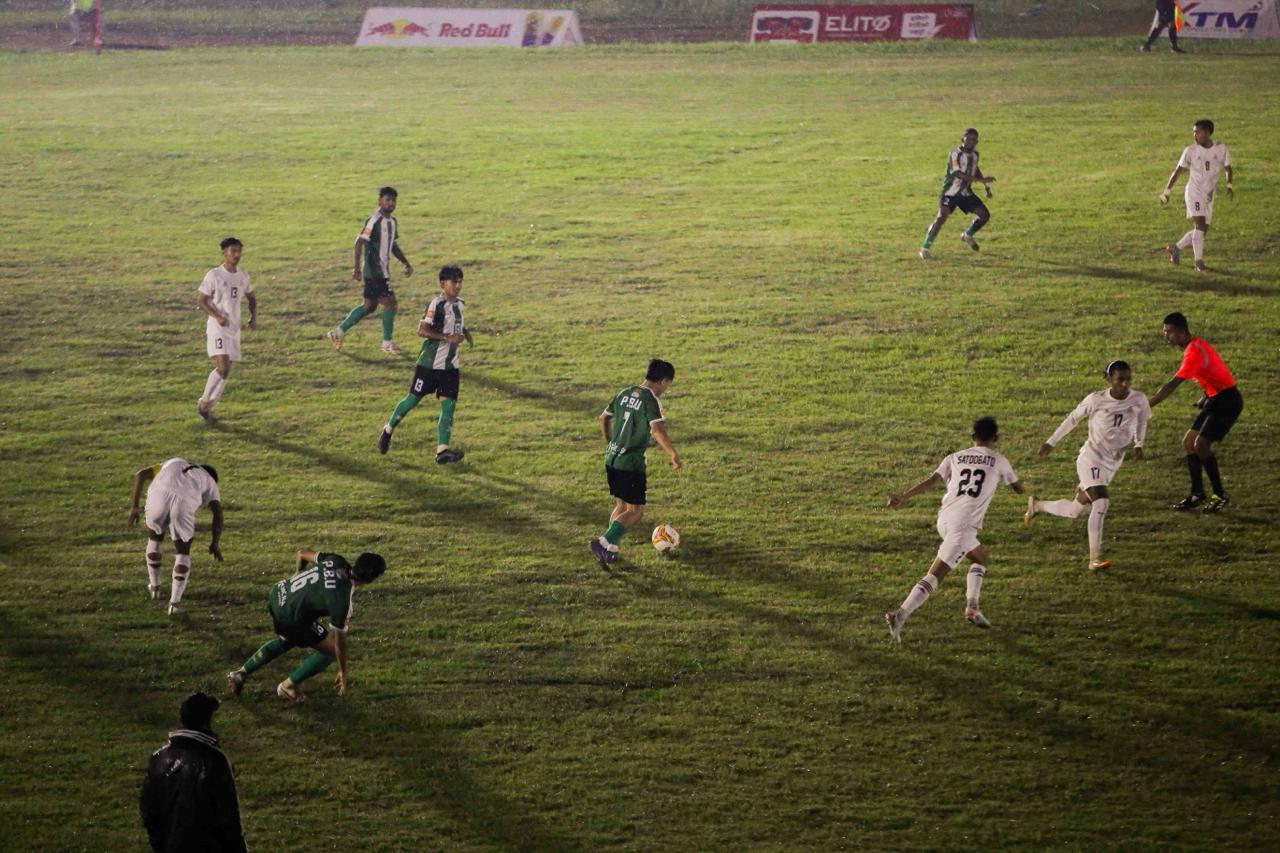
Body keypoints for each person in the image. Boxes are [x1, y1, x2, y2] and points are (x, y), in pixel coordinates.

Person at [884, 417, 1023, 640]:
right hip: (963, 526)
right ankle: (899, 615)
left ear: (972, 437)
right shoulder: (999, 459)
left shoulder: (954, 457)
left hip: (945, 519)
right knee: (936, 575)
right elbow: (1018, 488)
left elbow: (933, 479)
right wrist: (1015, 483)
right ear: (996, 438)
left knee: (981, 557)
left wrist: (904, 496)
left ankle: (973, 607)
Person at [1024, 361, 1151, 570]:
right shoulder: (1096, 399)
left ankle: (1037, 506)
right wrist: (1051, 442)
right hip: (1091, 458)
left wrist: (1139, 443)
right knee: (1101, 503)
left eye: (1128, 379)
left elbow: (1142, 421)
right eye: (1120, 379)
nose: (1125, 384)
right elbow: (1072, 419)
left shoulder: (1139, 399)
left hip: (1112, 463)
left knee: (1076, 510)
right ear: (1108, 379)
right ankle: (1095, 559)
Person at [226, 549, 386, 702]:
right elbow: (340, 645)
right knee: (331, 651)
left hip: (278, 595)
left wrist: (298, 573)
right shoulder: (342, 602)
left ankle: (241, 673)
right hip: (291, 617)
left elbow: (302, 554)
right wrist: (343, 672)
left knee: (289, 638)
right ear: (371, 579)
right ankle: (287, 687)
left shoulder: (336, 560)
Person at [589, 359, 684, 570]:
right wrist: (673, 455)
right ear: (663, 380)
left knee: (621, 506)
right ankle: (603, 542)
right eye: (667, 385)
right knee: (635, 511)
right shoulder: (651, 400)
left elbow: (603, 418)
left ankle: (610, 549)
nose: (666, 390)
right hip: (630, 462)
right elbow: (657, 430)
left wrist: (610, 441)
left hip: (612, 457)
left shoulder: (624, 393)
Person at [1147, 312, 1242, 513]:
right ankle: (1197, 493)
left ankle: (1219, 494)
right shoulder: (1197, 344)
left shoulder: (1193, 352)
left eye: (1169, 332)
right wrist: (1206, 396)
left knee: (1201, 445)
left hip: (1227, 401)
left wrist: (1147, 405)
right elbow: (1213, 371)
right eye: (1165, 332)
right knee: (1189, 442)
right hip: (1215, 398)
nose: (1166, 336)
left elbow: (1171, 385)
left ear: (1182, 332)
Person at [378, 265, 471, 461]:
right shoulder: (436, 304)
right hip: (429, 365)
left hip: (450, 366)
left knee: (449, 406)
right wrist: (447, 337)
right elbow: (422, 330)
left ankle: (442, 451)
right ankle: (388, 429)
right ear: (443, 283)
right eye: (454, 282)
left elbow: (456, 323)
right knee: (412, 400)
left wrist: (465, 333)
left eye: (460, 282)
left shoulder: (461, 304)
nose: (458, 285)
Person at [140, 691, 246, 853]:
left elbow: (149, 812)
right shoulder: (214, 760)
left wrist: (160, 845)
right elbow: (228, 819)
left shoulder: (158, 758)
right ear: (206, 722)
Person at [128, 458, 224, 615]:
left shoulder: (173, 462)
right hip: (183, 503)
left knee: (155, 537)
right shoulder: (210, 481)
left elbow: (140, 474)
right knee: (182, 551)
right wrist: (215, 543)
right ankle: (174, 604)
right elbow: (218, 513)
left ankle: (155, 588)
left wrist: (134, 507)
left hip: (158, 495)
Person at [328, 187, 414, 355]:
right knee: (391, 304)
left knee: (369, 306)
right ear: (379, 201)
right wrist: (356, 268)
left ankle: (338, 332)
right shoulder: (374, 220)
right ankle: (387, 344)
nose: (391, 203)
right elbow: (359, 242)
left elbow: (392, 245)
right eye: (387, 200)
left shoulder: (392, 222)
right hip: (375, 272)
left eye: (393, 200)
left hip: (381, 272)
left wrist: (406, 263)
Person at [1160, 119, 1232, 273]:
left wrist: (1229, 185)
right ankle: (1198, 263)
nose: (1194, 135)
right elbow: (1178, 171)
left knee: (1202, 230)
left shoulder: (1220, 148)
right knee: (1199, 226)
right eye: (1194, 132)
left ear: (1206, 133)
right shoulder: (1190, 151)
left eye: (1197, 132)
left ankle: (1175, 248)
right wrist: (1167, 191)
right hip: (1194, 192)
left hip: (1209, 195)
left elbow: (1228, 167)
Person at [196, 237, 256, 421]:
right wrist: (217, 316)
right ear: (223, 252)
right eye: (233, 251)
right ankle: (204, 402)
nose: (237, 255)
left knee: (226, 370)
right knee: (222, 366)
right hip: (217, 328)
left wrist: (253, 318)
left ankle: (207, 406)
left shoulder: (243, 275)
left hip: (233, 329)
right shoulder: (214, 275)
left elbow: (252, 298)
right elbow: (201, 301)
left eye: (239, 251)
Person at [919, 128, 995, 260]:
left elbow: (975, 168)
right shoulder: (955, 154)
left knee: (984, 215)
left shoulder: (975, 155)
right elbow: (959, 174)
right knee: (941, 216)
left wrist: (985, 185)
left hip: (965, 194)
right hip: (950, 193)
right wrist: (981, 180)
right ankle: (925, 248)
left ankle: (967, 235)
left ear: (977, 142)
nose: (970, 142)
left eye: (973, 139)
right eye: (968, 139)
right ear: (962, 140)